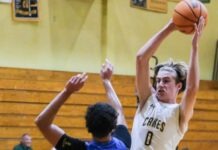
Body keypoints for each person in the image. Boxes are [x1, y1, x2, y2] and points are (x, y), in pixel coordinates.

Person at [131, 17, 205, 150]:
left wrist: (195, 47)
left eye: (166, 81)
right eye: (158, 80)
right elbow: (141, 59)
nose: (160, 84)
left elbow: (192, 89)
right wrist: (170, 27)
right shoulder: (147, 99)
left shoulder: (179, 113)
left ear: (178, 86)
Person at [35, 59, 131, 150]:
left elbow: (42, 123)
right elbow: (119, 110)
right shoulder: (124, 143)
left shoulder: (77, 148)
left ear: (88, 126)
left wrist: (67, 91)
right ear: (113, 127)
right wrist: (106, 81)